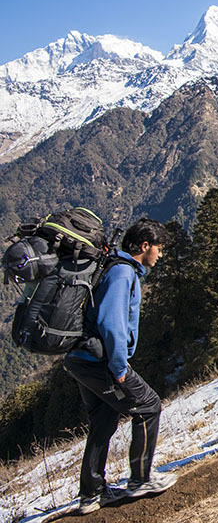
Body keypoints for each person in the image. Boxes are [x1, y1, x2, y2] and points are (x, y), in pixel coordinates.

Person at [63, 218, 176, 514]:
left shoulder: (115, 266)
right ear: (145, 246)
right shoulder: (123, 272)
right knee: (149, 406)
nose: (160, 254)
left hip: (80, 357)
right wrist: (119, 367)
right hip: (98, 360)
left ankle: (92, 494)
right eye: (159, 248)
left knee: (103, 419)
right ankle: (140, 479)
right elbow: (111, 323)